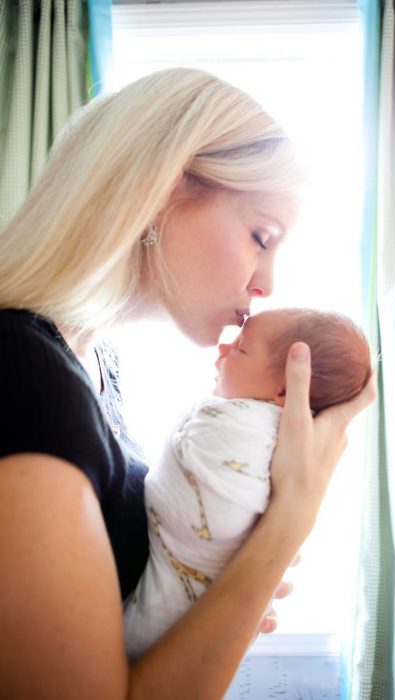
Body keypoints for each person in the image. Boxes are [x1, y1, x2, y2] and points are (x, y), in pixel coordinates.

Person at [0, 67, 375, 699]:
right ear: (164, 189)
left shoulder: (95, 368)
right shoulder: (20, 371)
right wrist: (289, 521)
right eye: (262, 236)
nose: (268, 284)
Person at [124, 307, 372, 659]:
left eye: (240, 349)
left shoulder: (238, 425)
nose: (223, 350)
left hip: (156, 630)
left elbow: (211, 511)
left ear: (285, 390)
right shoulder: (285, 441)